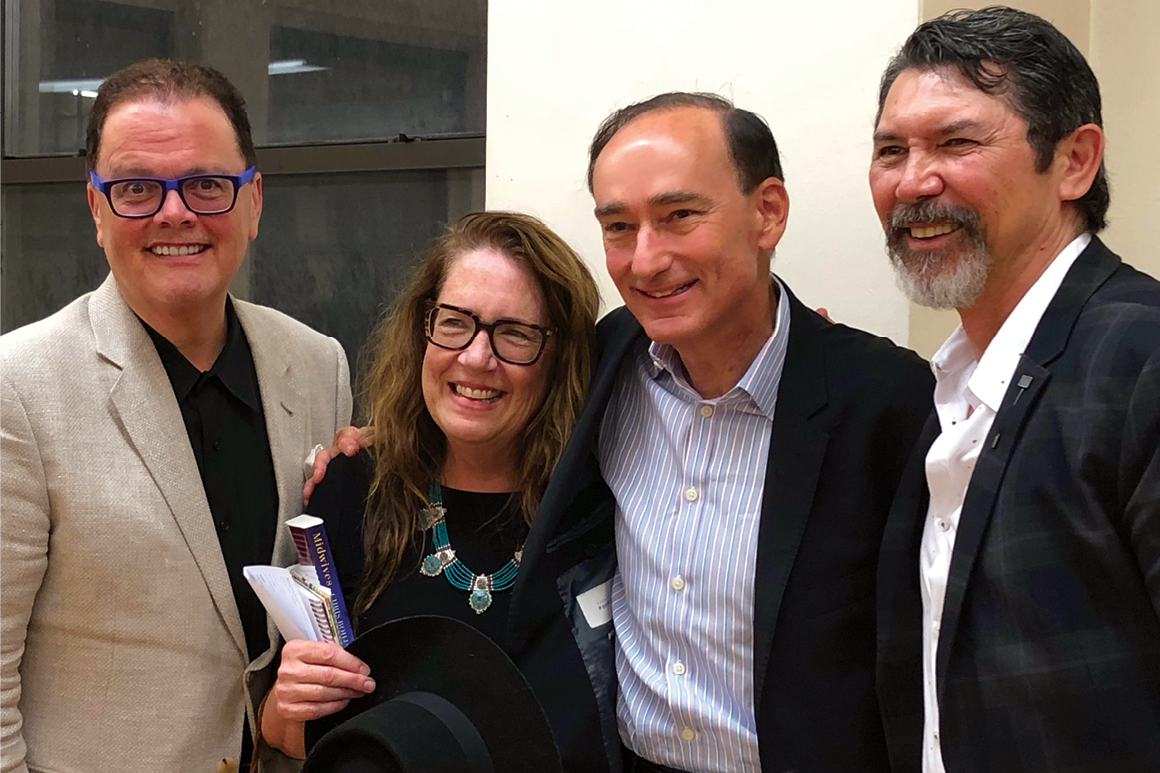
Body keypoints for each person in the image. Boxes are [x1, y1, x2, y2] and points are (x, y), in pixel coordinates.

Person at [515, 94, 934, 773]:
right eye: (619, 227)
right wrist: (371, 443)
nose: (645, 260)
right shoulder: (604, 360)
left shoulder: (888, 401)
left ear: (767, 212)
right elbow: (489, 420)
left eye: (679, 216)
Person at [0, 59, 351, 773]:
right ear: (96, 211)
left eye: (206, 184)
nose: (174, 212)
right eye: (135, 188)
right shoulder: (19, 386)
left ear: (253, 201)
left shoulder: (317, 364)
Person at [871, 8, 1160, 773]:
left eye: (956, 142)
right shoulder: (943, 383)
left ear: (1074, 161)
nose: (912, 181)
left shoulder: (1142, 359)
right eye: (890, 150)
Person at [259, 211, 615, 772]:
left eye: (515, 333)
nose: (476, 357)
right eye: (454, 323)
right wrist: (290, 702)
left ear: (559, 359)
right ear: (422, 327)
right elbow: (288, 733)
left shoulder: (604, 505)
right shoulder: (352, 491)